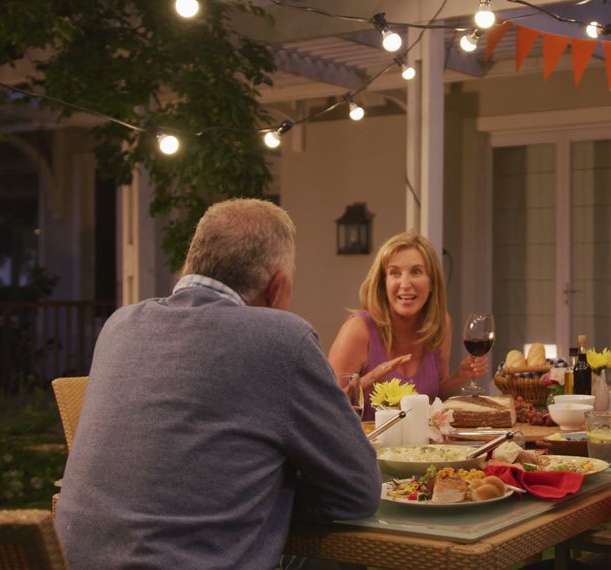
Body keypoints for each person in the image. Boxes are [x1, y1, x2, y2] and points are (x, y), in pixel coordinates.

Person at [54, 199, 381, 569]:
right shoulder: (281, 339)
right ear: (278, 288)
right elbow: (358, 491)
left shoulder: (120, 325)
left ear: (192, 263)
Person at [327, 232, 488, 420]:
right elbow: (326, 407)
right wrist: (368, 381)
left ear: (432, 283)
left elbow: (437, 396)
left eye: (416, 272)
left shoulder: (440, 324)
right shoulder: (358, 330)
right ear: (383, 283)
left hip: (420, 447)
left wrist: (460, 376)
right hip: (365, 447)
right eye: (395, 273)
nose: (405, 284)